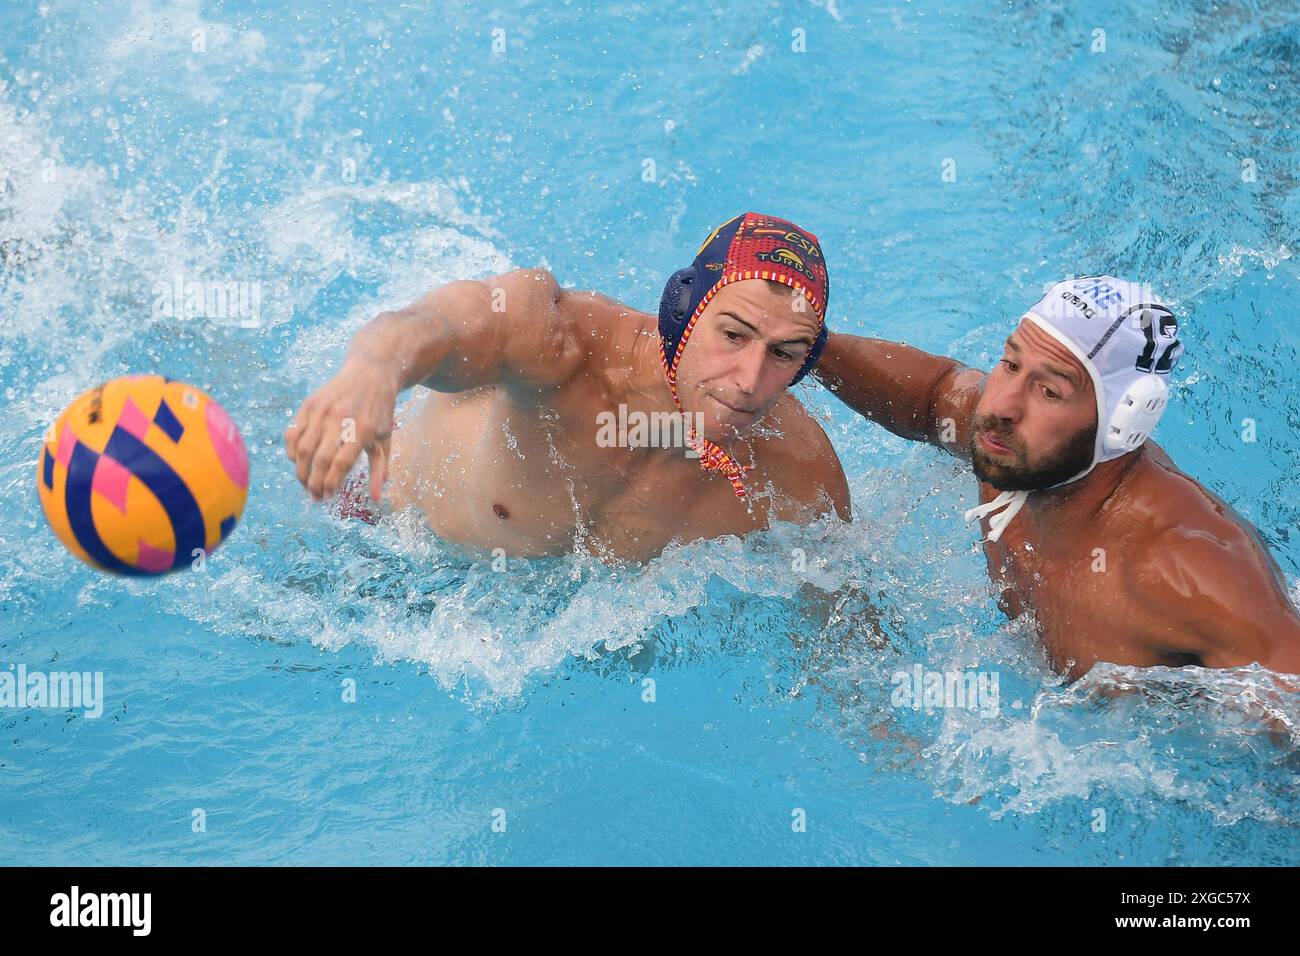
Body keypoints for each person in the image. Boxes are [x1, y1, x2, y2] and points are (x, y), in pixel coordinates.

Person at [284, 212, 850, 561]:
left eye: (783, 354)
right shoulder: (560, 344)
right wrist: (374, 373)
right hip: (373, 543)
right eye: (732, 335)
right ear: (682, 313)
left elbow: (845, 627)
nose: (749, 380)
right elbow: (437, 323)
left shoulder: (795, 472)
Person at [816, 276, 1300, 677]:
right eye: (1009, 364)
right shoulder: (1008, 444)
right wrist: (808, 348)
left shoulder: (1183, 567)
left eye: (1048, 391)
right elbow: (931, 396)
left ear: (1122, 422)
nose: (1000, 405)